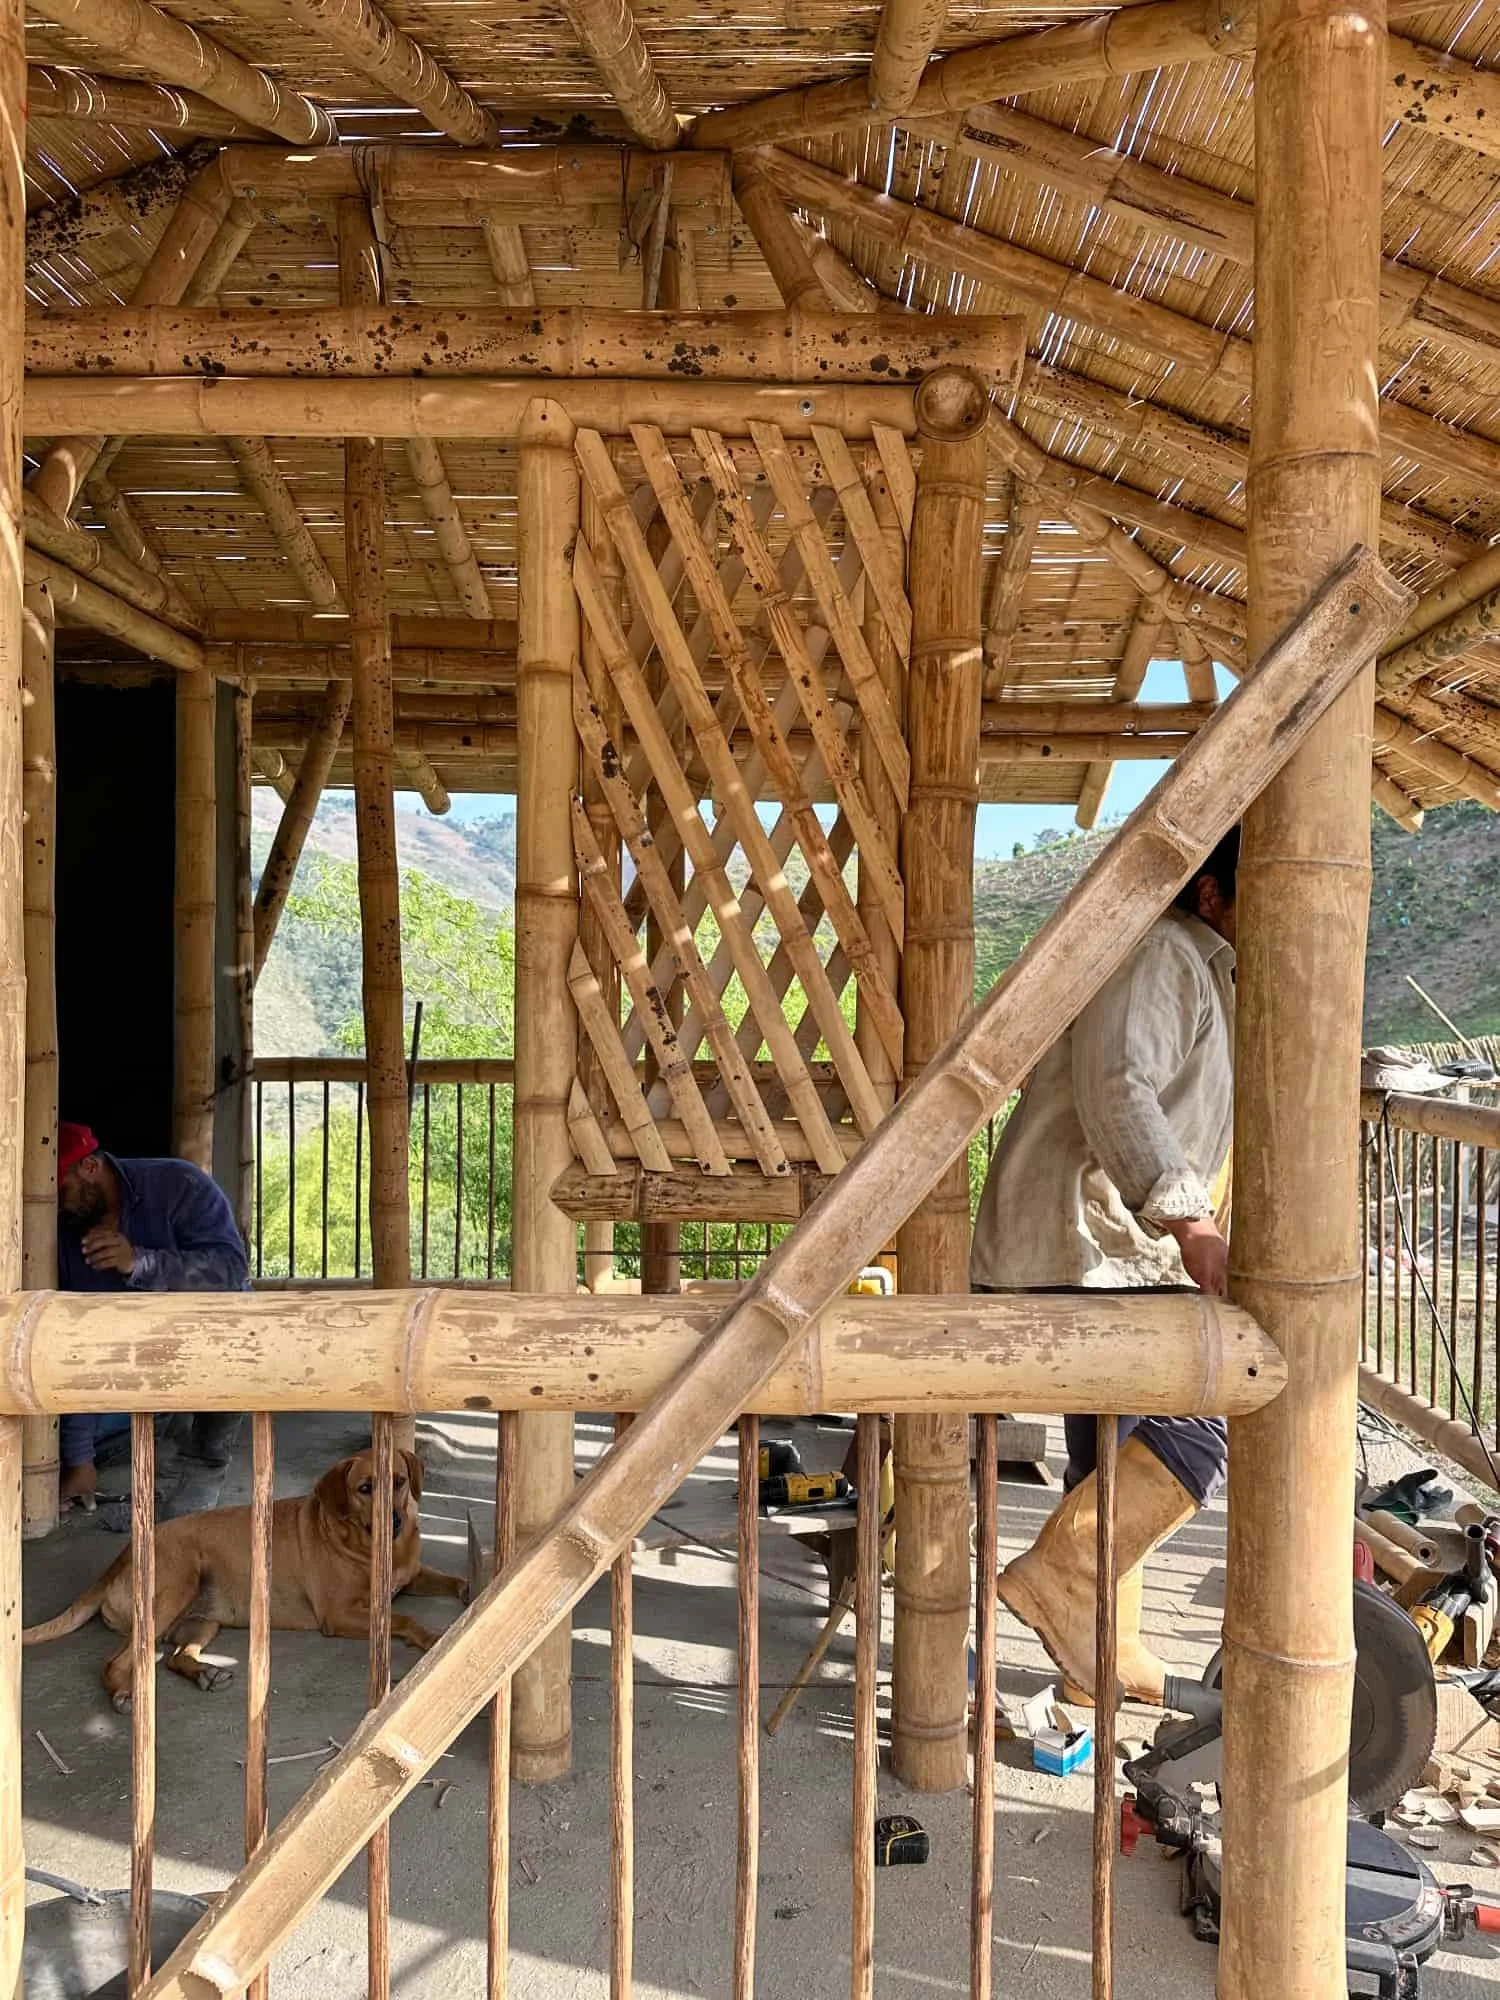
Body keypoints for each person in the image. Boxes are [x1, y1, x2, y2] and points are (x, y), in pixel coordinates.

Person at [970, 828, 1239, 1704]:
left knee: (1113, 1455)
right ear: (1209, 895)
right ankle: (1065, 1575)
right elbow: (1121, 1084)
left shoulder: (1204, 970)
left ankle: (1102, 1654)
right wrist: (1192, 1223)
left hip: (1107, 1252)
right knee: (1207, 1414)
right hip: (1082, 1247)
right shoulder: (1164, 952)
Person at [57, 1122, 249, 1518]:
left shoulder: (178, 1184)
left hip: (207, 1349)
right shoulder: (65, 1233)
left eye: (62, 1191)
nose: (58, 1207)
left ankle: (202, 1458)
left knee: (236, 1337)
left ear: (90, 1168)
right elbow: (72, 1341)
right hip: (127, 1368)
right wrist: (79, 1460)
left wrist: (140, 1263)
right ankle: (155, 1429)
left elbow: (230, 1271)